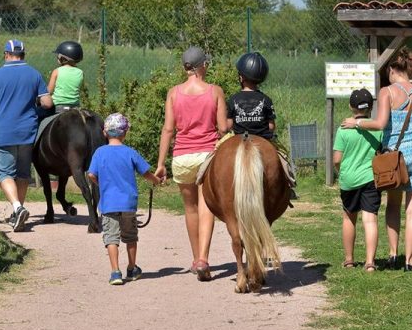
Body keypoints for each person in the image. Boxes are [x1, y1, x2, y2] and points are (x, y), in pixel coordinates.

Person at [340, 48, 412, 272]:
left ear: (392, 70)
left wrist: (357, 123)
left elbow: (381, 123)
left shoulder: (387, 92)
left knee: (393, 205)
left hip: (397, 157)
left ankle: (393, 255)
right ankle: (410, 262)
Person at [155, 46, 226, 282]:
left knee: (190, 209)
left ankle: (196, 259)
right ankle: (204, 258)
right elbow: (223, 128)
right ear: (203, 65)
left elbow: (167, 129)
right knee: (207, 206)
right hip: (207, 155)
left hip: (182, 156)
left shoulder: (173, 93)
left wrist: (161, 163)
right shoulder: (215, 91)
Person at [0, 39, 53, 232]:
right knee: (23, 174)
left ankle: (17, 207)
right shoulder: (34, 74)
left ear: (6, 54)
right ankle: (18, 215)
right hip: (27, 132)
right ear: (23, 55)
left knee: (4, 173)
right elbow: (47, 103)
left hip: (4, 132)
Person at [87, 113, 162, 285]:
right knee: (130, 236)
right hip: (128, 203)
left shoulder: (100, 152)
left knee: (111, 238)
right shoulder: (130, 152)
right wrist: (157, 180)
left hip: (108, 204)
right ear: (125, 133)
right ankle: (132, 268)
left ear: (105, 133)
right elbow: (146, 173)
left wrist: (101, 184)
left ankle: (115, 272)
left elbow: (91, 174)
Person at [225, 51, 297, 195]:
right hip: (263, 139)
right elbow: (271, 126)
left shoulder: (233, 100)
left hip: (239, 138)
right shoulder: (266, 100)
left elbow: (227, 125)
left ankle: (203, 176)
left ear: (241, 77)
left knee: (215, 154)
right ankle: (289, 184)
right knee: (283, 157)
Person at [333, 88, 383, 272]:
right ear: (370, 107)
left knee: (349, 218)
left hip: (349, 180)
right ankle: (370, 262)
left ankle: (349, 260)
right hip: (371, 179)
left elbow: (337, 159)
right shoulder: (377, 127)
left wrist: (342, 171)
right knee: (370, 220)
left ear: (350, 106)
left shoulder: (343, 129)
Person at [47, 41, 84, 113]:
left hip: (58, 107)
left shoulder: (57, 71)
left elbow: (49, 91)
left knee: (40, 117)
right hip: (75, 107)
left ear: (63, 58)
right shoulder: (80, 72)